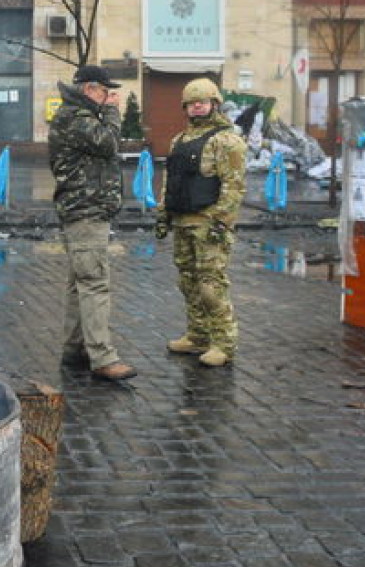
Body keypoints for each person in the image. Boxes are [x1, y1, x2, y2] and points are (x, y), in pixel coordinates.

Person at [47, 64, 138, 381]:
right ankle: (102, 357)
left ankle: (75, 349)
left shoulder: (75, 115)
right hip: (86, 210)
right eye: (104, 90)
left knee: (79, 283)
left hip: (83, 210)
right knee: (95, 282)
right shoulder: (78, 118)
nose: (109, 96)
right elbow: (110, 143)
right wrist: (114, 113)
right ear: (89, 89)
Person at [154, 78, 247, 367]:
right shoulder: (179, 141)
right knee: (188, 282)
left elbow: (234, 186)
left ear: (214, 103)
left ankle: (224, 342)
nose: (197, 106)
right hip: (183, 221)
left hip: (209, 224)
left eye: (202, 101)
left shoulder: (227, 140)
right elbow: (171, 182)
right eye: (192, 103)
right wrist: (163, 215)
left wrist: (222, 222)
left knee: (211, 285)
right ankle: (198, 335)